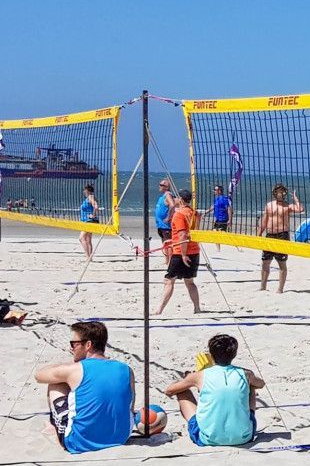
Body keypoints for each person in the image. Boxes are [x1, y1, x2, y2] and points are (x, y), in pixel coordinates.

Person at [34, 322, 134, 454]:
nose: (71, 348)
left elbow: (39, 376)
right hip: (121, 437)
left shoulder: (76, 370)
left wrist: (67, 366)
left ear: (88, 345)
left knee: (55, 383)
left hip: (78, 442)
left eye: (74, 344)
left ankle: (55, 426)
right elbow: (130, 408)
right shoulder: (127, 369)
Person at [163, 334, 263, 447]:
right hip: (244, 437)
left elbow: (169, 391)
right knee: (252, 385)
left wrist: (189, 378)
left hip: (207, 439)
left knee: (181, 390)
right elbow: (261, 384)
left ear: (211, 354)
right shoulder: (245, 373)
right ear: (234, 354)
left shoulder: (200, 375)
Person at [156, 189, 203, 315]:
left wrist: (182, 255)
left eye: (177, 198)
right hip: (194, 250)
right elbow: (190, 233)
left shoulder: (179, 214)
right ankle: (197, 308)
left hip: (181, 252)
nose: (175, 200)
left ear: (181, 200)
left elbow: (182, 235)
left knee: (169, 280)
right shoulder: (194, 213)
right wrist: (172, 240)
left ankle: (159, 310)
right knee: (189, 281)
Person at [256, 184, 304, 293]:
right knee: (265, 262)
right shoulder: (269, 205)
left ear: (284, 193)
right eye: (278, 191)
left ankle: (280, 289)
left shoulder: (287, 206)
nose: (280, 193)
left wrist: (295, 198)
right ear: (274, 192)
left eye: (282, 191)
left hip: (282, 235)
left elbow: (300, 209)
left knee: (281, 263)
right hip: (270, 236)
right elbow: (264, 221)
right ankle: (263, 287)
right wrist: (258, 236)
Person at [204, 185, 232, 251]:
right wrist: (206, 212)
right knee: (215, 233)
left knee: (219, 234)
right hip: (218, 219)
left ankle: (232, 243)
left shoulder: (223, 199)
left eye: (215, 190)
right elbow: (213, 206)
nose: (214, 191)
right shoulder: (217, 198)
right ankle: (218, 249)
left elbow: (229, 209)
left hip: (223, 220)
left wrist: (230, 220)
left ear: (219, 191)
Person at [154, 179, 175, 263]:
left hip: (166, 226)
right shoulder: (162, 196)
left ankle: (170, 262)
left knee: (169, 244)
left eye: (161, 185)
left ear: (166, 187)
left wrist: (168, 217)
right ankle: (167, 261)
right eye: (160, 184)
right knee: (165, 243)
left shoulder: (168, 195)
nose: (159, 186)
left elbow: (172, 205)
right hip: (161, 225)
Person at [79, 184, 99, 260]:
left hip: (89, 221)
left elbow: (96, 206)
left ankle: (87, 257)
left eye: (85, 190)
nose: (84, 191)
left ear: (88, 191)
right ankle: (90, 257)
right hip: (86, 221)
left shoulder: (90, 197)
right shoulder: (88, 198)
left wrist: (93, 215)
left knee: (81, 238)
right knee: (88, 239)